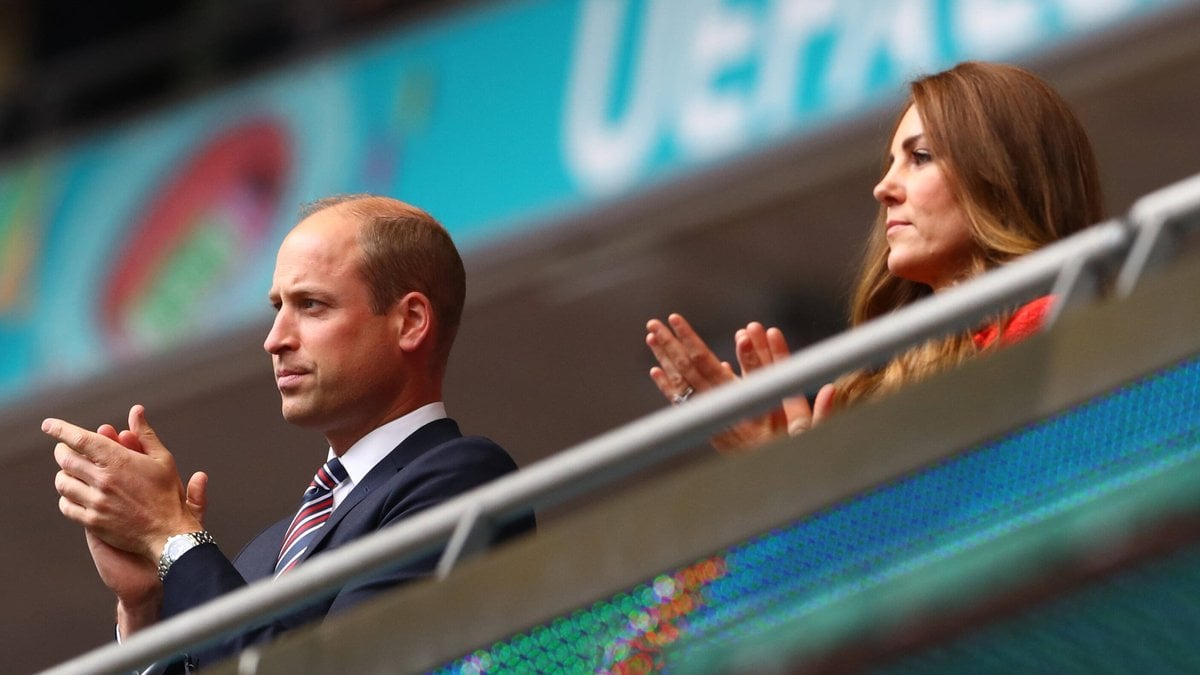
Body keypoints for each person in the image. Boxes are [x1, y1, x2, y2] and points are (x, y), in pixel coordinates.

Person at [45, 195, 536, 669]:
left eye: (312, 305)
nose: (275, 338)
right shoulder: (262, 553)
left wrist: (172, 535)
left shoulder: (463, 478)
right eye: (277, 306)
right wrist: (146, 609)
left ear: (409, 322)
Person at [645, 61, 1104, 453]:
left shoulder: (1058, 326)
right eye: (890, 164)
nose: (883, 188)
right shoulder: (865, 391)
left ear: (1004, 178)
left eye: (920, 157)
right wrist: (779, 468)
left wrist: (820, 478)